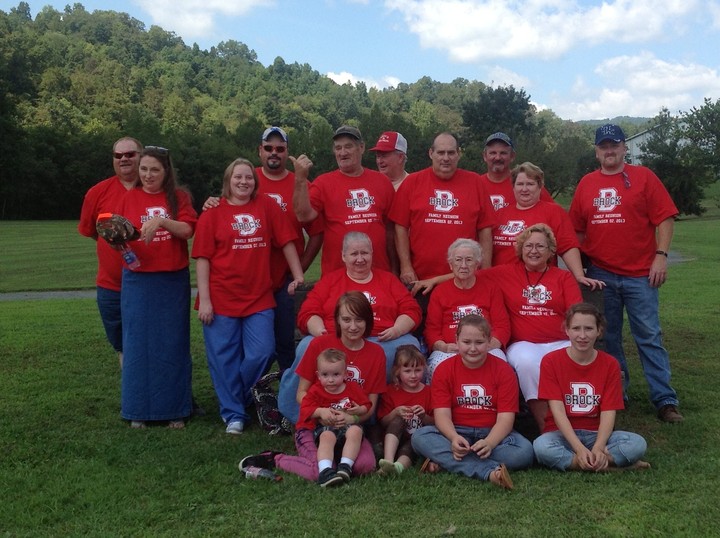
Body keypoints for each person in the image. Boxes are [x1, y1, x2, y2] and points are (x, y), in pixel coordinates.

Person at [569, 124, 683, 423]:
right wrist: (580, 267)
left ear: (624, 148)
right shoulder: (586, 184)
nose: (610, 150)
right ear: (596, 152)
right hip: (600, 273)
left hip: (641, 274)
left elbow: (666, 219)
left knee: (648, 335)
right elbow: (577, 230)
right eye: (604, 146)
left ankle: (665, 399)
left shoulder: (644, 177)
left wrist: (661, 256)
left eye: (615, 145)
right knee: (608, 338)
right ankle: (618, 393)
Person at [192, 158, 304, 434]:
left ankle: (239, 396)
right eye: (238, 177)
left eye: (249, 178)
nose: (244, 182)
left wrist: (298, 274)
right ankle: (233, 415)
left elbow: (287, 241)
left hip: (258, 296)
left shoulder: (266, 206)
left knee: (262, 352)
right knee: (224, 358)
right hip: (220, 298)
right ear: (228, 181)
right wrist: (204, 299)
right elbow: (203, 259)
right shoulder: (212, 213)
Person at [202, 127, 323, 371]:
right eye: (268, 148)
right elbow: (228, 206)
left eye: (280, 148)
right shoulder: (248, 178)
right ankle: (252, 394)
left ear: (287, 151)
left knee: (284, 343)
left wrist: (299, 269)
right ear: (260, 151)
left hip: (282, 281)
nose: (274, 153)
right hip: (250, 282)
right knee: (250, 346)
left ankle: (286, 397)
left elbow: (317, 231)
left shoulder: (300, 183)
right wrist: (211, 202)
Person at [117, 146, 196, 429]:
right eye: (144, 169)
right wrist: (117, 239)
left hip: (171, 280)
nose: (148, 175)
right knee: (138, 344)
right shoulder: (129, 197)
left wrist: (161, 221)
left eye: (155, 170)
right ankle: (138, 409)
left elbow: (188, 230)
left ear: (166, 172)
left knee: (172, 344)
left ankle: (175, 409)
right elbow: (121, 232)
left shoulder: (179, 197)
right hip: (138, 279)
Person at [411, 315, 534, 489]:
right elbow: (442, 415)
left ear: (489, 342)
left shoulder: (504, 370)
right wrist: (453, 438)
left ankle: (446, 460)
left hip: (492, 432)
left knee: (524, 452)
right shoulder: (444, 369)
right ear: (457, 341)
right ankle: (489, 472)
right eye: (467, 342)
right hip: (458, 431)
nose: (473, 348)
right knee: (419, 437)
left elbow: (506, 418)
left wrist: (490, 443)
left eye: (479, 342)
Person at [274, 292, 386, 481]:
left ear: (368, 321)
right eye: (346, 319)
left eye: (359, 320)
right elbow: (301, 393)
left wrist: (351, 417)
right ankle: (276, 458)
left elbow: (370, 407)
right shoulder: (320, 345)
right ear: (337, 320)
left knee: (365, 466)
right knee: (320, 471)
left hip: (349, 427)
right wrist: (321, 412)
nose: (352, 326)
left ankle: (340, 460)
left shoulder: (376, 353)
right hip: (314, 424)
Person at [485, 224, 583, 431]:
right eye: (528, 246)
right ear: (520, 250)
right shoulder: (504, 273)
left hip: (560, 340)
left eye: (540, 246)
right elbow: (466, 275)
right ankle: (546, 428)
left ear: (550, 252)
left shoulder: (562, 277)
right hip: (524, 343)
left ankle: (579, 425)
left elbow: (576, 314)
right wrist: (433, 281)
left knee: (568, 361)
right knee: (527, 362)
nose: (534, 251)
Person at [533, 303, 650, 471]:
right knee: (541, 446)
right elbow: (557, 410)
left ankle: (581, 463)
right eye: (576, 328)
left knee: (637, 444)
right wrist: (579, 448)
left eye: (588, 329)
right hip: (562, 435)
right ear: (567, 330)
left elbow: (609, 411)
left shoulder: (610, 364)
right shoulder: (551, 361)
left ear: (599, 331)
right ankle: (610, 466)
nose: (582, 335)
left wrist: (598, 447)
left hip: (598, 433)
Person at [294, 231, 422, 379]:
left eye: (365, 253)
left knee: (409, 346)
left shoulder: (389, 280)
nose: (360, 259)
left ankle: (398, 399)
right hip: (336, 339)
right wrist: (320, 332)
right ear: (343, 256)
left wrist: (397, 330)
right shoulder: (330, 281)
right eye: (354, 254)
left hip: (381, 340)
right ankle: (299, 401)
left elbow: (411, 309)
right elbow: (308, 311)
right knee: (306, 346)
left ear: (372, 254)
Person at [390, 132, 495, 286]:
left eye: (451, 153)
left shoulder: (476, 182)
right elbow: (400, 227)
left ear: (458, 154)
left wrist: (486, 269)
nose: (446, 158)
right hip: (420, 278)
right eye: (441, 152)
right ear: (431, 153)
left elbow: (485, 230)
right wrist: (406, 266)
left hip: (465, 278)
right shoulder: (412, 182)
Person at [292, 125, 395, 275]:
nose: (343, 153)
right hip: (338, 276)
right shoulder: (323, 183)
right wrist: (300, 179)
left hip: (378, 275)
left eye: (348, 147)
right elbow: (303, 215)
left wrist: (395, 268)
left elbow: (391, 231)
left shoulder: (382, 182)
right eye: (338, 148)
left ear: (361, 147)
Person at [78, 137, 142, 366]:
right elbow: (93, 231)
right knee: (122, 345)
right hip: (111, 286)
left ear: (141, 156)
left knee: (157, 341)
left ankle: (172, 396)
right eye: (118, 155)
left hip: (149, 283)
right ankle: (134, 397)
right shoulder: (97, 192)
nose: (124, 158)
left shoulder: (154, 188)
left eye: (130, 154)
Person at [492, 162, 604, 291]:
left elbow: (567, 246)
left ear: (540, 187)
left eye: (530, 184)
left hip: (538, 285)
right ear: (513, 187)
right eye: (520, 184)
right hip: (502, 284)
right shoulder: (500, 214)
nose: (524, 189)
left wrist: (579, 275)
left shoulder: (553, 212)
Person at [424, 238, 510, 382]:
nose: (463, 265)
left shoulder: (491, 289)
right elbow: (432, 330)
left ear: (477, 264)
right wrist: (443, 347)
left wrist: (487, 346)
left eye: (469, 260)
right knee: (437, 366)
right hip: (450, 350)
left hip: (485, 348)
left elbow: (502, 326)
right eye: (458, 260)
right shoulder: (440, 292)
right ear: (451, 265)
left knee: (501, 365)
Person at [298, 348, 372, 487]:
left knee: (356, 431)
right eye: (325, 375)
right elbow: (304, 410)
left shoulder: (352, 388)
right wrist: (320, 411)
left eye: (336, 374)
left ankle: (345, 466)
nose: (330, 380)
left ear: (345, 374)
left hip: (347, 426)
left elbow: (367, 405)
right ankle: (325, 470)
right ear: (318, 375)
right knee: (326, 436)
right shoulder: (316, 390)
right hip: (326, 427)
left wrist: (359, 409)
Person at [377, 345, 433, 475]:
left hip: (415, 439)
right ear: (397, 371)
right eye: (407, 371)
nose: (413, 375)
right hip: (393, 438)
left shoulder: (429, 392)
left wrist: (424, 416)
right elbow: (383, 422)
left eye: (418, 370)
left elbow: (435, 423)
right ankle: (388, 461)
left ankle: (398, 467)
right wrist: (395, 412)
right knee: (398, 420)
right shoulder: (391, 391)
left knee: (412, 446)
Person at [479, 132, 553, 212]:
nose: (498, 158)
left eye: (503, 153)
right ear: (485, 156)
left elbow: (553, 213)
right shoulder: (476, 185)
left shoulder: (527, 183)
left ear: (512, 156)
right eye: (492, 153)